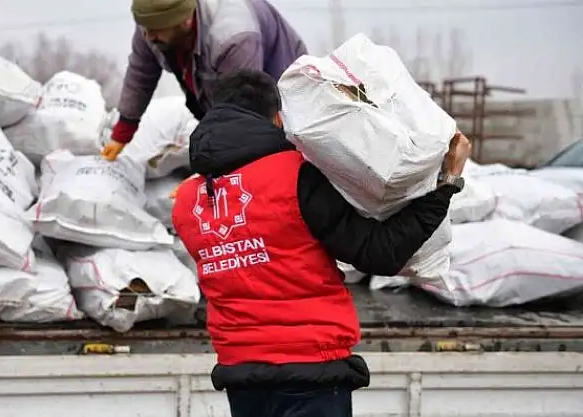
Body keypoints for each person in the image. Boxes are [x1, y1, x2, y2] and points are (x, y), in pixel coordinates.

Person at [170, 69, 471, 417]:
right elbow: (379, 253)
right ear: (277, 118)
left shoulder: (187, 201)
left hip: (241, 375)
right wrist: (446, 183)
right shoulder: (294, 175)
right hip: (312, 371)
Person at [100, 0, 308, 161]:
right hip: (232, 96)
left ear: (185, 21)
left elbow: (242, 116)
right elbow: (141, 73)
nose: (148, 36)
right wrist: (122, 132)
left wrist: (208, 171)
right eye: (145, 29)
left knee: (275, 159)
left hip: (282, 90)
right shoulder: (153, 26)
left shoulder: (232, 38)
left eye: (155, 31)